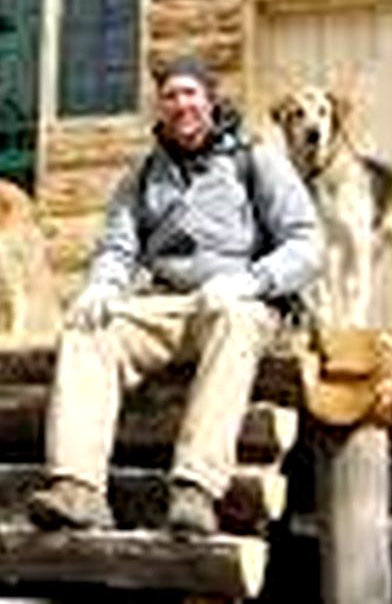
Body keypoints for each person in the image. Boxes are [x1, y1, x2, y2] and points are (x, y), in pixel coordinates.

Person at [27, 55, 322, 536]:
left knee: (239, 320)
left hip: (234, 302)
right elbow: (117, 247)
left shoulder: (255, 159)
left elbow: (307, 245)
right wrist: (104, 283)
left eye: (191, 94)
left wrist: (251, 281)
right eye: (170, 96)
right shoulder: (143, 175)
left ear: (209, 100)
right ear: (160, 108)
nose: (181, 104)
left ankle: (195, 488)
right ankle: (78, 488)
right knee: (87, 328)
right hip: (163, 305)